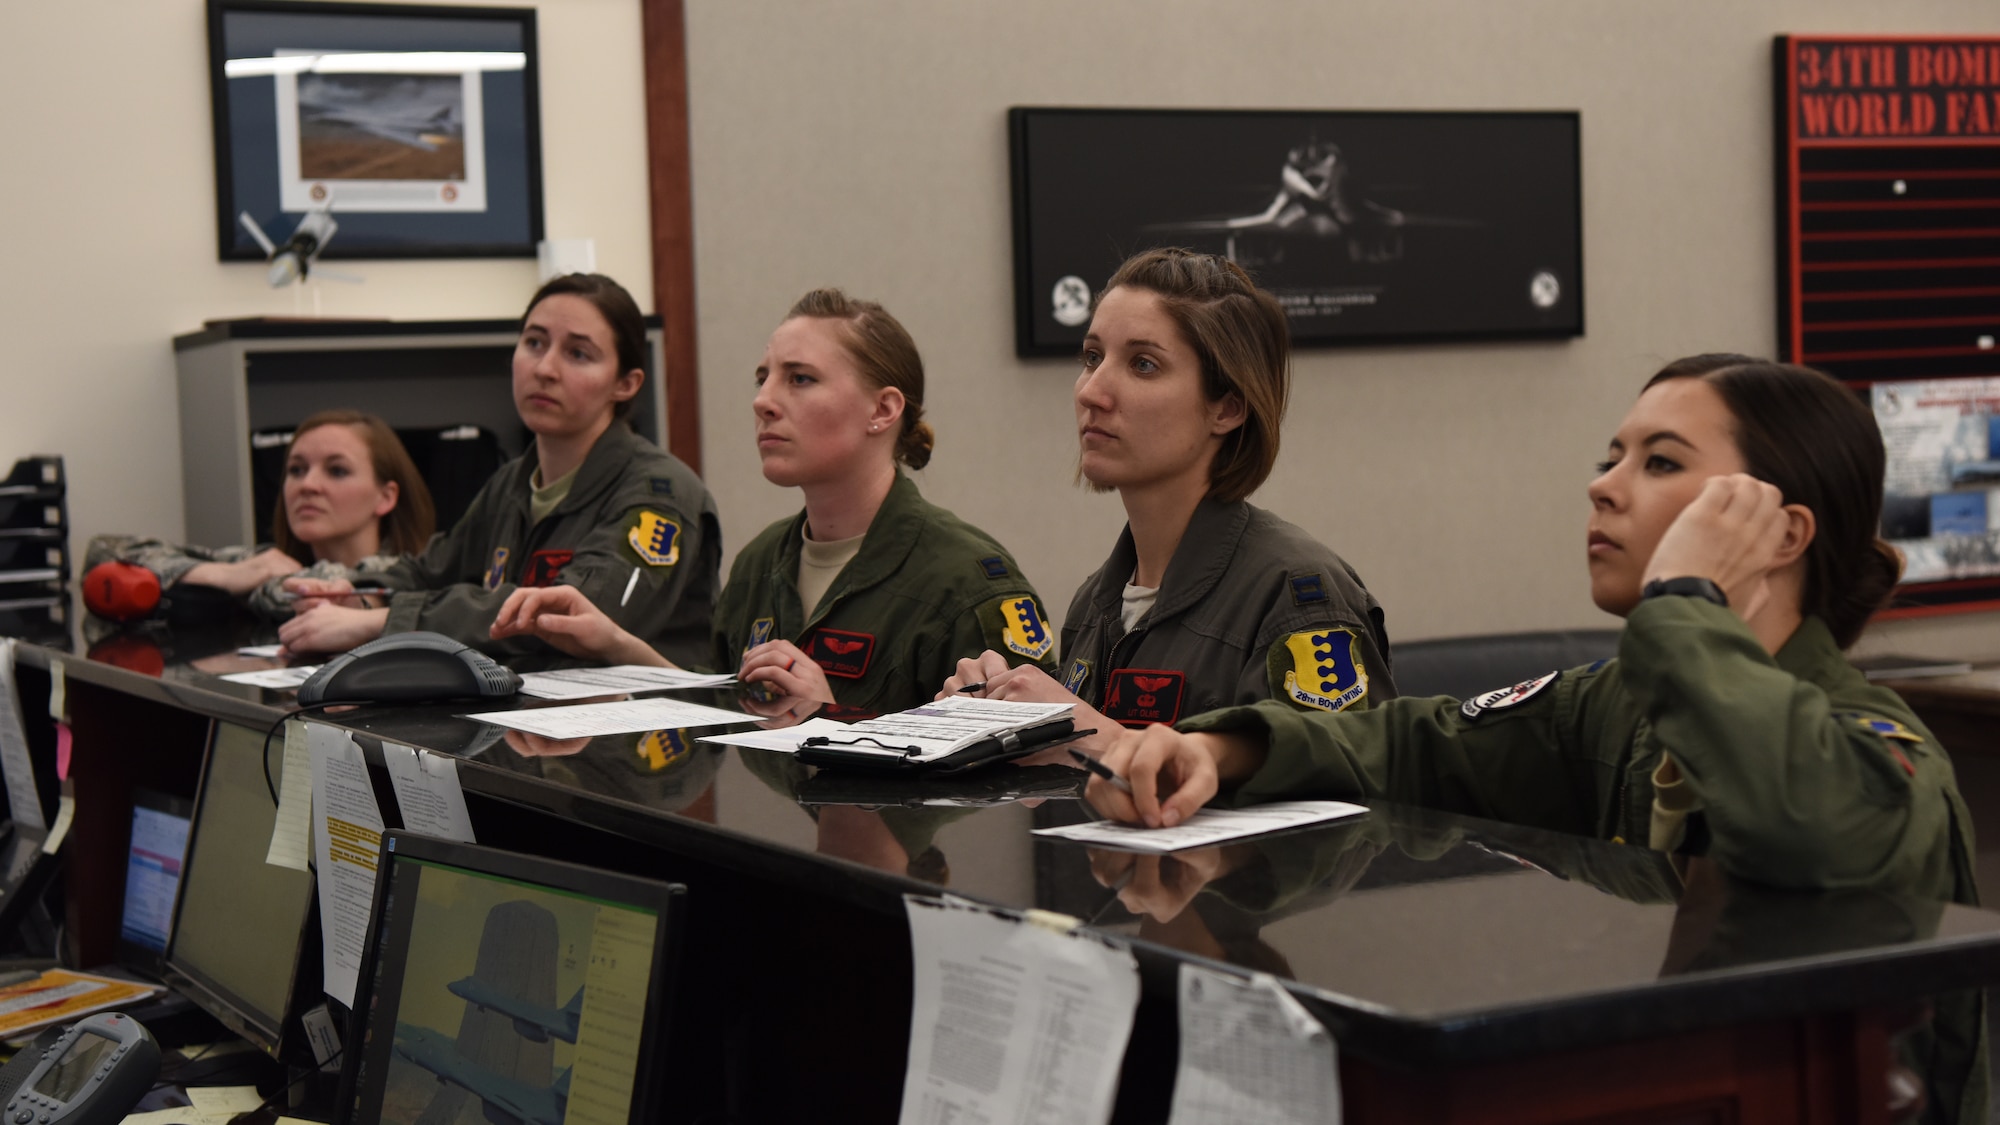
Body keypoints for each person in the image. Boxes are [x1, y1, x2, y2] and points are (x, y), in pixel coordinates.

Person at [1087, 357, 1984, 1122]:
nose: (1603, 483)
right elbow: (1417, 745)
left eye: (1660, 461)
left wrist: (1684, 605)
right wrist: (1219, 751)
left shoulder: (1875, 749)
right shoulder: (1619, 705)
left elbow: (1788, 808)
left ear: (1780, 532)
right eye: (1611, 456)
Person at [490, 287, 1060, 717]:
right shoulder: (761, 562)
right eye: (763, 377)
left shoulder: (967, 582)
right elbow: (723, 720)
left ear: (882, 410)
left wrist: (830, 716)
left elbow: (1020, 782)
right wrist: (616, 643)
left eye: (800, 379)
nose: (763, 401)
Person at [940, 248, 1395, 750]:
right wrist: (1000, 719)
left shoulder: (1296, 592)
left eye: (1143, 364)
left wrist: (1082, 729)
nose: (1092, 390)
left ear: (1226, 409)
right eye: (1092, 357)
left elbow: (1348, 803)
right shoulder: (1095, 602)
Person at [277, 273, 722, 664]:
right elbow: (430, 571)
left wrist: (381, 622)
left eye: (578, 354)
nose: (545, 368)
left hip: (644, 740)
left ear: (625, 384)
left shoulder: (658, 493)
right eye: (534, 343)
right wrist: (354, 593)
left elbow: (572, 617)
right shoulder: (513, 482)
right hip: (536, 724)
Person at [85, 410, 435, 619]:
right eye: (296, 470)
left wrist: (239, 581)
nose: (307, 485)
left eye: (337, 471)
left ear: (385, 497)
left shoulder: (406, 577)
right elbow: (105, 552)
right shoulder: (269, 563)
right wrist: (225, 574)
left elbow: (315, 593)